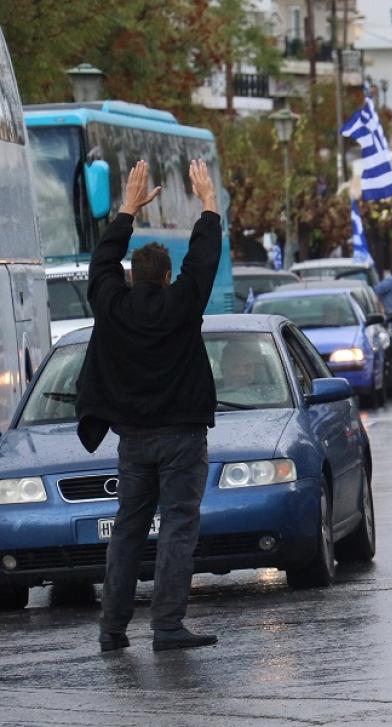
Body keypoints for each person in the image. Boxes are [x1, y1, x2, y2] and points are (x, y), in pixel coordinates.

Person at [76, 160, 221, 653]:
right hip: (182, 436)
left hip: (133, 439)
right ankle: (167, 626)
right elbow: (203, 262)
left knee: (127, 531)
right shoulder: (182, 304)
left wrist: (127, 211)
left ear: (131, 276)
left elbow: (101, 263)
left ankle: (112, 629)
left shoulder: (111, 306)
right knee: (179, 527)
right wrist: (208, 204)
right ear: (166, 278)